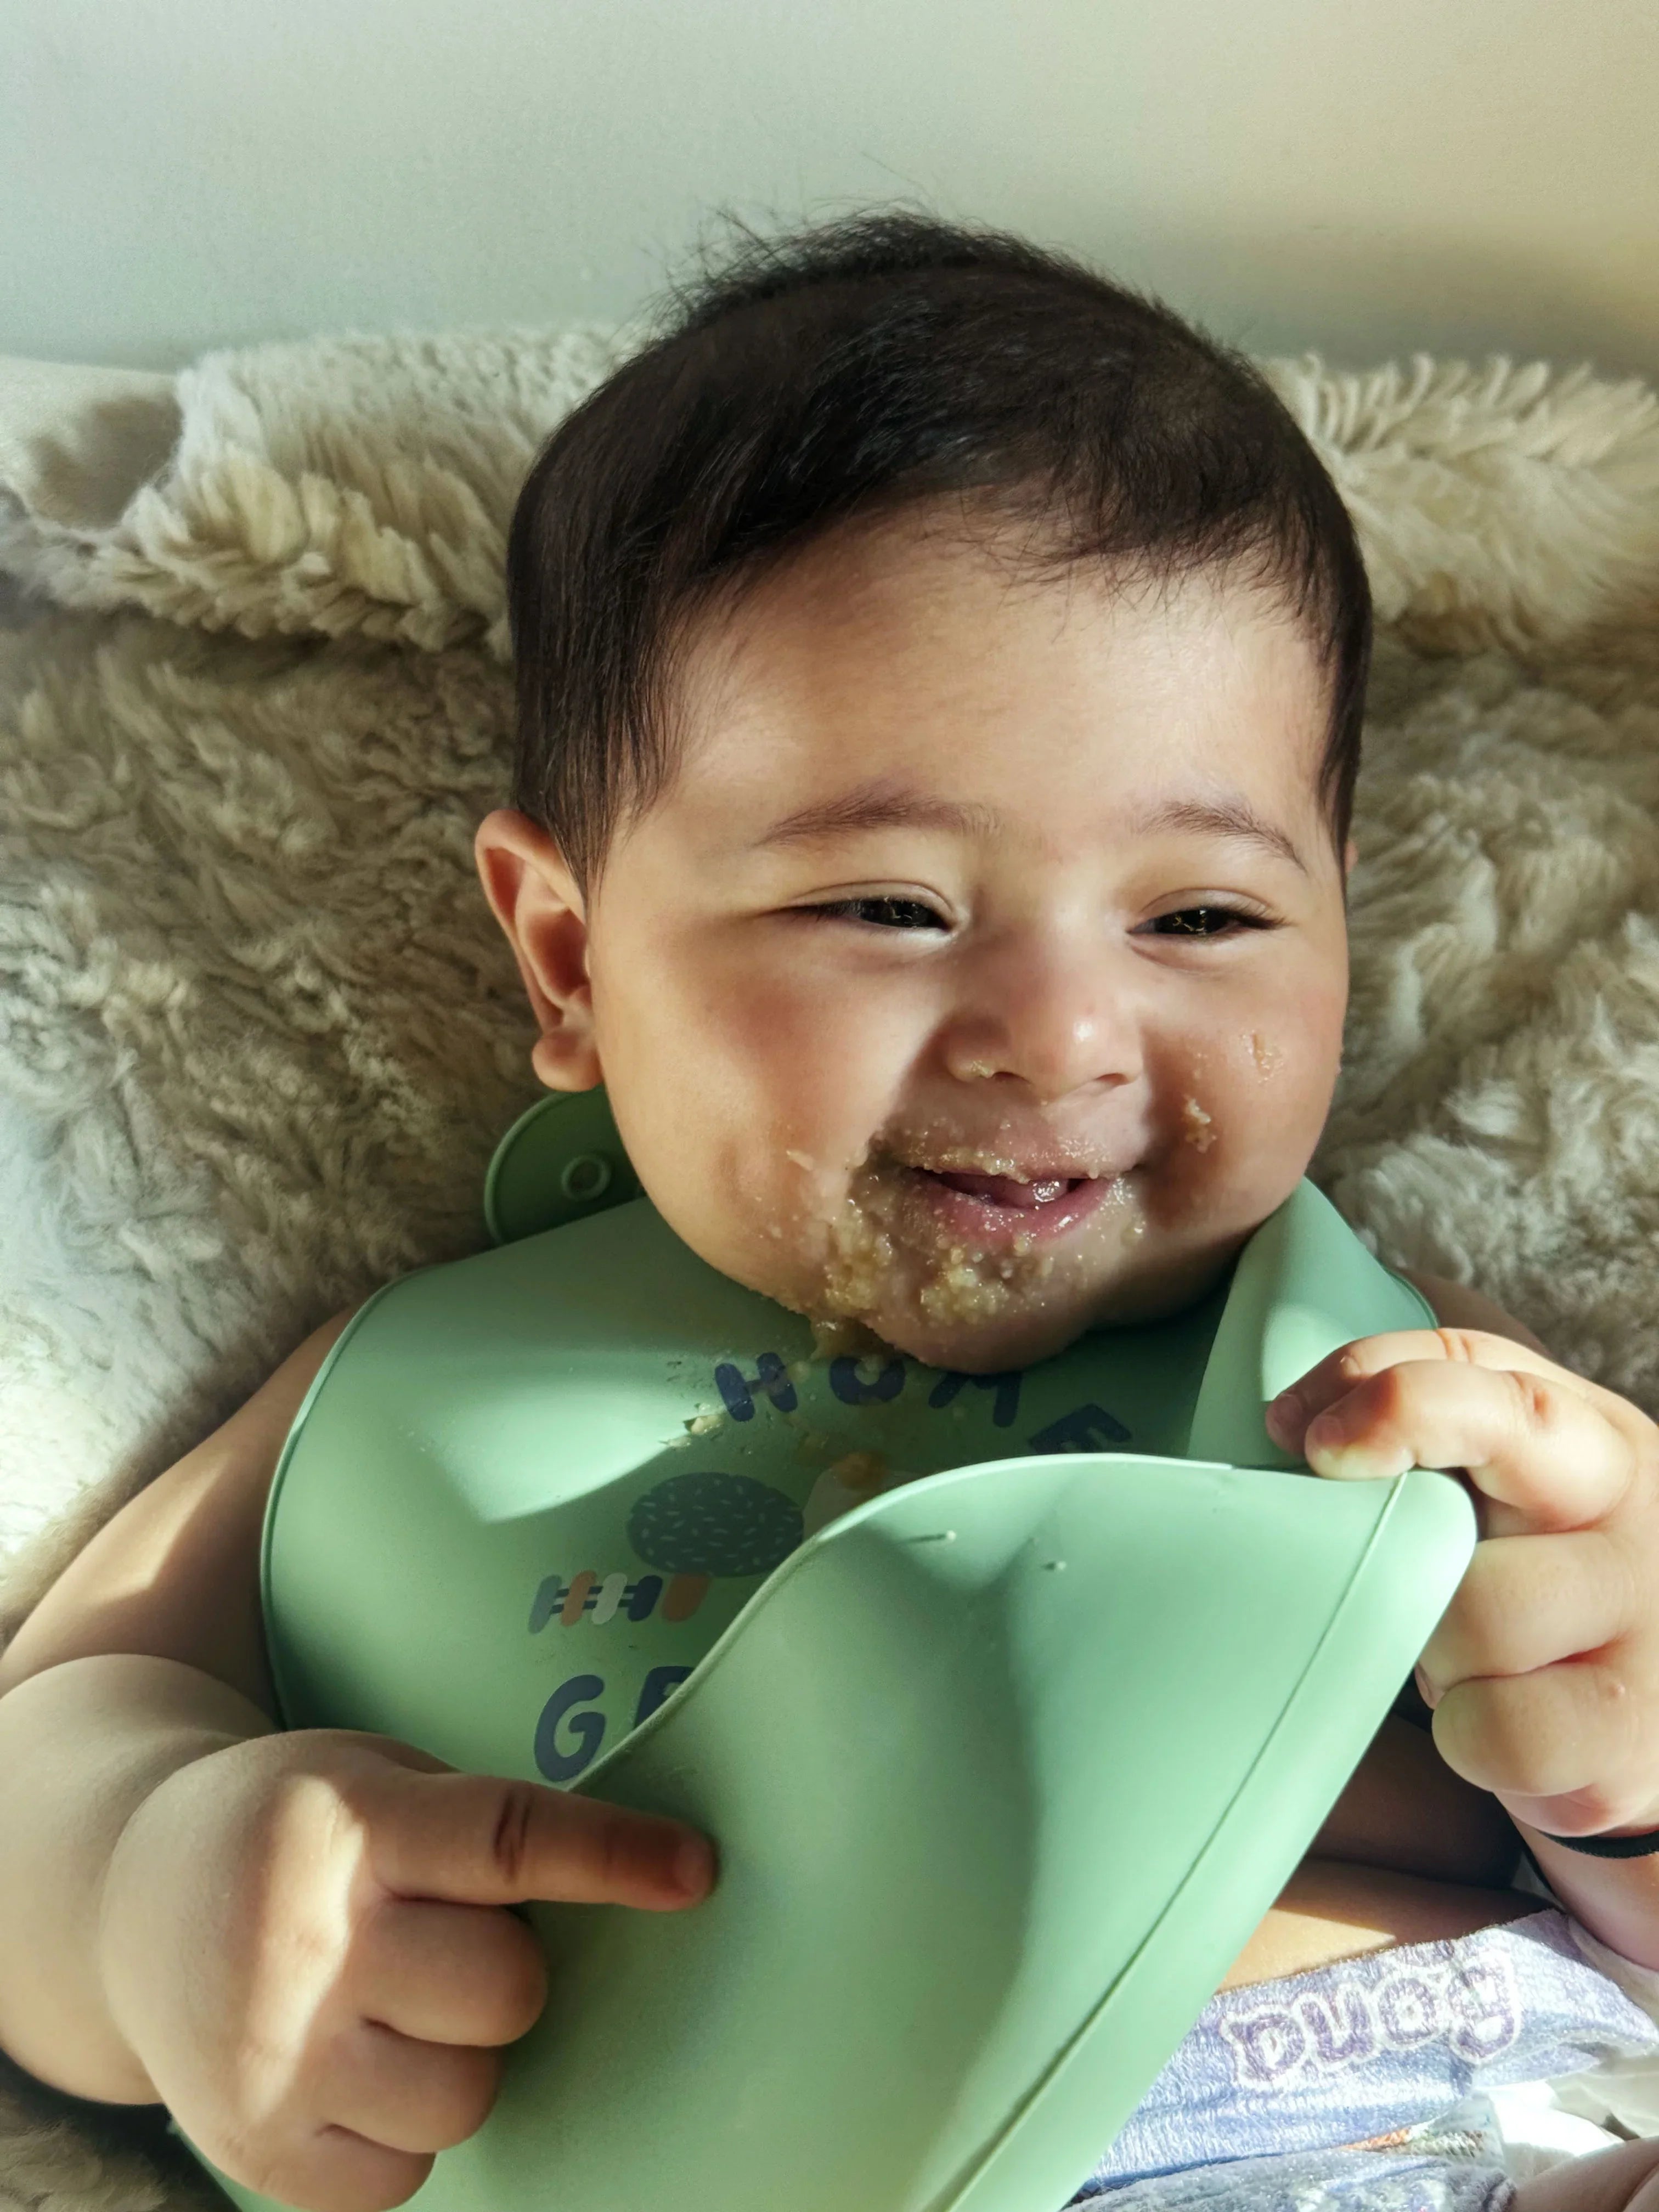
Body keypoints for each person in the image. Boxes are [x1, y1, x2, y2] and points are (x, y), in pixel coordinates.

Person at [2, 213, 1658, 2212]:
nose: (1058, 1037)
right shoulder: (402, 1382)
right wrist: (153, 1889)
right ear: (568, 958)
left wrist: (1624, 1762)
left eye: (1202, 916)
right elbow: (56, 1727)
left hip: (1417, 2117)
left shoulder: (1420, 1393)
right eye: (887, 905)